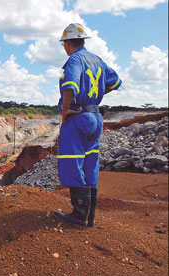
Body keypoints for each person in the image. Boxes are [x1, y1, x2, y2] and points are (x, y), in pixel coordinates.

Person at [52, 23, 121, 227]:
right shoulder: (97, 60)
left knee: (72, 161)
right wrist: (96, 94)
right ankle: (88, 217)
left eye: (64, 43)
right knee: (90, 163)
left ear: (68, 42)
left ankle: (78, 214)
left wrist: (65, 108)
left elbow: (70, 84)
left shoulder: (75, 59)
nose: (64, 47)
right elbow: (115, 81)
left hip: (78, 117)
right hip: (95, 117)